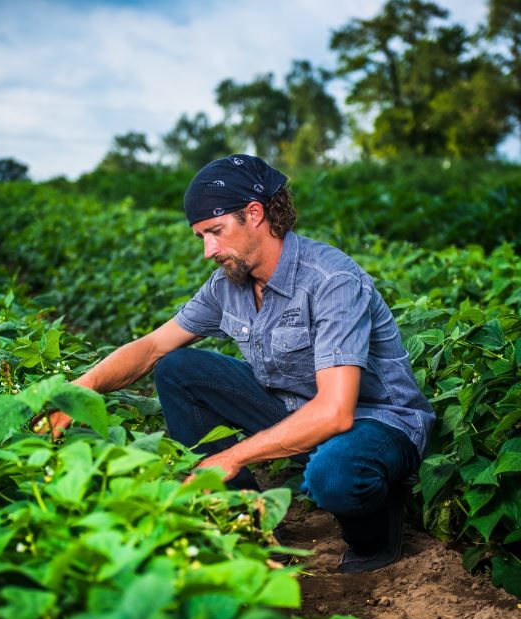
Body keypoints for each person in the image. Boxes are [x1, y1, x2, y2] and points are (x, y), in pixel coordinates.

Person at [40, 154, 435, 573]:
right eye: (201, 238)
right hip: (296, 408)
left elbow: (336, 413)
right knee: (178, 369)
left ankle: (375, 530)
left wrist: (235, 456)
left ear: (255, 214)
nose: (209, 250)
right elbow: (153, 346)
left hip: (374, 421)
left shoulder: (330, 280)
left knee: (334, 475)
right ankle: (248, 521)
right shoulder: (228, 285)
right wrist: (79, 390)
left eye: (216, 231)